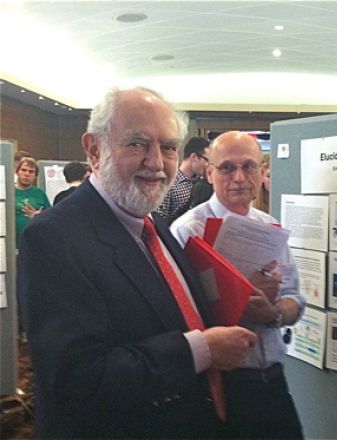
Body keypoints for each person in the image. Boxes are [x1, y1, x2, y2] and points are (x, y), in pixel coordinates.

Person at [18, 87, 257, 439]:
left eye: (168, 147)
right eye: (137, 144)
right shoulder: (53, 238)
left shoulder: (156, 227)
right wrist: (201, 350)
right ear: (94, 150)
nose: (157, 162)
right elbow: (77, 378)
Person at [171, 131, 306, 439]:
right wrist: (242, 292)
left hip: (272, 380)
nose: (239, 177)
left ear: (261, 171)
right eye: (227, 168)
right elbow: (176, 318)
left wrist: (272, 313)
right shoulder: (187, 231)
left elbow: (295, 299)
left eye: (249, 167)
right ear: (209, 172)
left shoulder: (270, 227)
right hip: (219, 386)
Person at [156, 136, 210, 224]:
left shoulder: (204, 184)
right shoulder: (169, 183)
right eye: (207, 160)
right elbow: (160, 221)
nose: (208, 165)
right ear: (194, 157)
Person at [15, 157, 51, 247]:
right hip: (12, 242)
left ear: (35, 176)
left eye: (31, 172)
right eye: (23, 170)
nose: (27, 174)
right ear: (17, 172)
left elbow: (50, 218)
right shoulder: (8, 192)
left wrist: (38, 216)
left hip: (34, 242)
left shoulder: (40, 193)